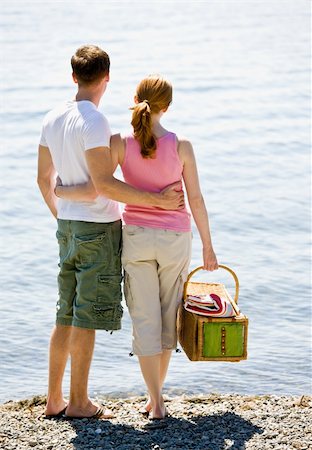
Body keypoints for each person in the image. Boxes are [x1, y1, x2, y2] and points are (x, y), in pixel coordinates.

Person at [55, 74, 218, 421]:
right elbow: (197, 200)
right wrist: (208, 246)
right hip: (175, 238)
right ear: (168, 106)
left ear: (136, 99)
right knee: (167, 316)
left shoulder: (118, 143)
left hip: (136, 238)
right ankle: (157, 398)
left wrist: (61, 191)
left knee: (144, 318)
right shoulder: (182, 145)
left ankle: (155, 402)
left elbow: (99, 185)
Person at [37, 48, 184, 420]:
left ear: (74, 77)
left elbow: (43, 178)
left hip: (67, 228)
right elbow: (100, 185)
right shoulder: (96, 122)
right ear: (106, 78)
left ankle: (54, 400)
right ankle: (80, 403)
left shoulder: (53, 117)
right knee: (86, 316)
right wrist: (156, 200)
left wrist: (61, 208)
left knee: (65, 314)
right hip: (97, 230)